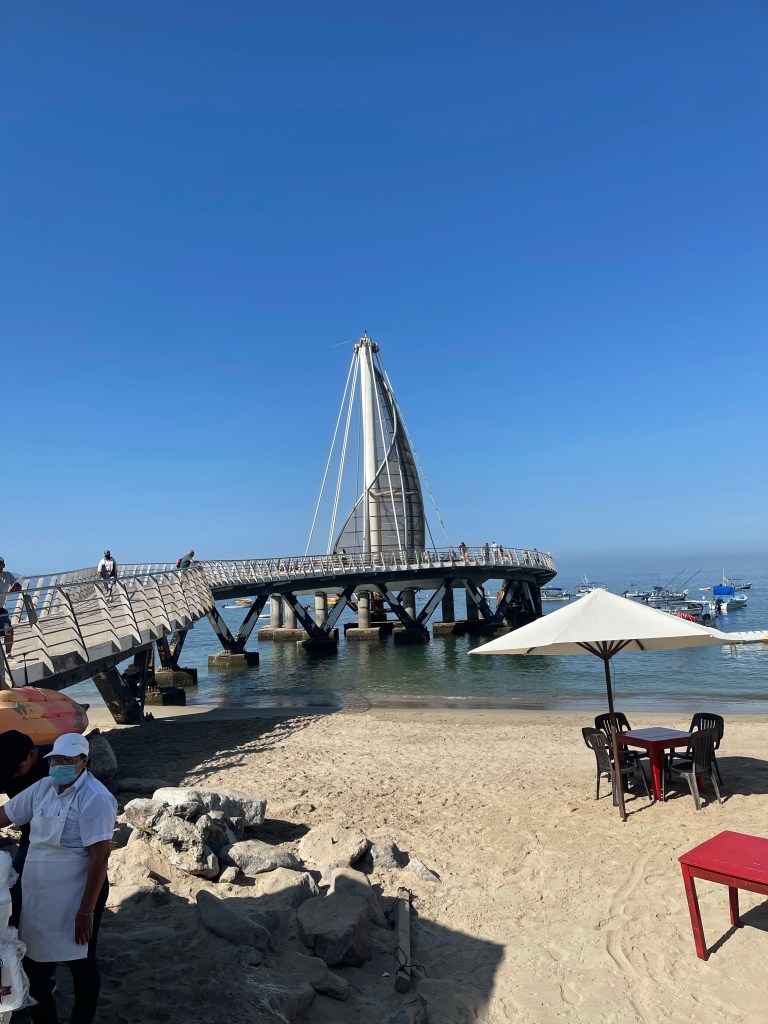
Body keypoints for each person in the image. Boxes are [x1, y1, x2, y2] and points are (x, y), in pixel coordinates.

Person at [0, 732, 117, 1024]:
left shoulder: (96, 797)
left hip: (79, 892)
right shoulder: (43, 787)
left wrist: (86, 912)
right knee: (34, 960)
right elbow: (6, 814)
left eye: (68, 760)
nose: (60, 765)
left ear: (84, 761)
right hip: (40, 892)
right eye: (55, 760)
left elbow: (100, 857)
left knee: (80, 961)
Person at [0, 730, 54, 927]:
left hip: (59, 844)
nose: (13, 776)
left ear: (32, 754)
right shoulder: (6, 765)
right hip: (29, 839)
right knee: (13, 893)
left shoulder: (55, 763)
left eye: (16, 770)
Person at [0, 556, 22, 658]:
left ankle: (8, 654)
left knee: (8, 629)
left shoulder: (7, 575)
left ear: (3, 565)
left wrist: (15, 588)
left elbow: (18, 586)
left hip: (1, 609)